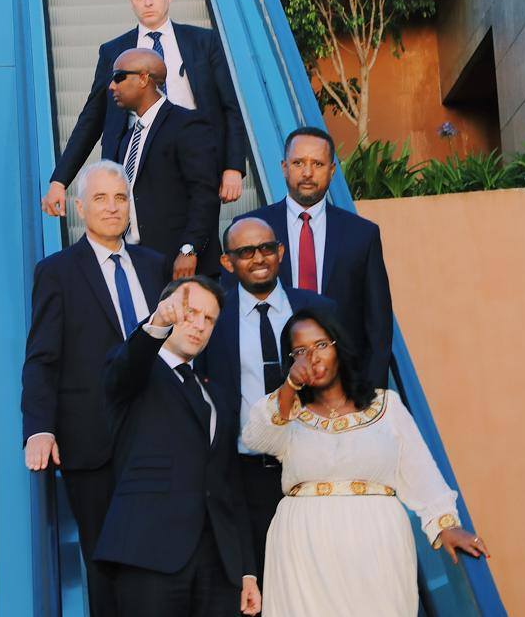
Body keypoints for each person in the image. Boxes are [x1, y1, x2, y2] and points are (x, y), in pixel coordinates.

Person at [242, 307, 489, 615]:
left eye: (320, 345)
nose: (312, 358)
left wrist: (445, 526)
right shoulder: (288, 416)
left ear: (338, 346)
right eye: (300, 352)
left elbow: (420, 471)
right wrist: (289, 388)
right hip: (302, 547)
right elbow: (254, 438)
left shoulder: (387, 406)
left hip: (376, 543)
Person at [21, 160, 169, 617]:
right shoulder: (57, 272)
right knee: (106, 565)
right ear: (79, 208)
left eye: (120, 198)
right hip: (92, 443)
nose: (112, 207)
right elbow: (43, 357)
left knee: (164, 557)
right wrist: (40, 427)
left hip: (158, 436)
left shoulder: (155, 265)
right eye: (100, 199)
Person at [95, 277, 261, 617]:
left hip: (218, 563)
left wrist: (246, 569)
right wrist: (157, 324)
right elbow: (127, 367)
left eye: (209, 319)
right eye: (191, 313)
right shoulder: (134, 370)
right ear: (168, 310)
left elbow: (229, 485)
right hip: (149, 553)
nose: (199, 325)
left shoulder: (214, 393)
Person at [42, 0, 250, 214]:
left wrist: (233, 167)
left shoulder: (203, 42)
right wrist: (59, 180)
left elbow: (230, 107)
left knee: (198, 241)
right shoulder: (113, 52)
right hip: (133, 162)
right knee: (139, 245)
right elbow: (92, 118)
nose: (148, 1)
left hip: (194, 158)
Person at [196, 217, 335, 583]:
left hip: (314, 469)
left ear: (281, 252)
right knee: (262, 581)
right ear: (227, 262)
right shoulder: (213, 318)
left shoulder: (318, 309)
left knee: (319, 579)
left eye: (266, 248)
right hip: (247, 473)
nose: (258, 258)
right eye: (245, 252)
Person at [231, 126, 393, 389]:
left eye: (317, 163)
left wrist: (371, 398)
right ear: (284, 167)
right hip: (269, 385)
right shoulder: (248, 229)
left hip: (343, 387)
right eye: (298, 163)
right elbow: (231, 312)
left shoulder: (362, 235)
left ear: (331, 170)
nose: (307, 173)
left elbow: (379, 328)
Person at [98, 47, 221, 277]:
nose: (112, 86)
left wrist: (189, 249)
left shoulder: (187, 125)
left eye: (118, 77)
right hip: (137, 264)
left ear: (144, 78)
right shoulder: (127, 138)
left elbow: (205, 193)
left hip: (180, 267)